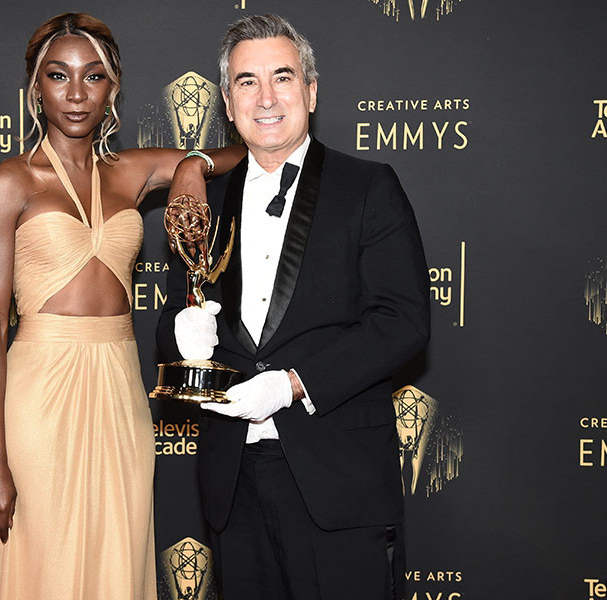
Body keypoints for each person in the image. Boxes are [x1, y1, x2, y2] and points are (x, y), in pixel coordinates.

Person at [0, 13, 244, 600]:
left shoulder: (132, 171)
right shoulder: (8, 182)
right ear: (35, 87)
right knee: (46, 567)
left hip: (119, 390)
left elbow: (242, 152)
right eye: (58, 75)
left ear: (113, 86)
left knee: (120, 561)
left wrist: (191, 166)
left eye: (93, 76)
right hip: (39, 395)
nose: (76, 93)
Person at [156, 14, 430, 599]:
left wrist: (293, 384)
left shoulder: (368, 186)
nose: (266, 97)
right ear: (227, 102)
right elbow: (176, 321)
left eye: (282, 77)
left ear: (311, 91)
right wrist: (182, 331)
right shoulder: (207, 202)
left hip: (337, 479)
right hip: (233, 483)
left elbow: (402, 322)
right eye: (247, 81)